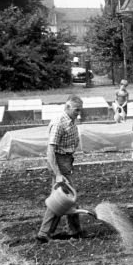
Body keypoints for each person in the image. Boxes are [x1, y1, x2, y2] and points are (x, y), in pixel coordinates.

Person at [37, 95, 86, 243]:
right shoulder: (59, 122)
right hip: (58, 162)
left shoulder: (70, 120)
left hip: (66, 161)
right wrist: (58, 174)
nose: (78, 113)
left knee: (65, 198)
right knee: (62, 199)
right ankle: (45, 233)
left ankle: (74, 230)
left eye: (80, 110)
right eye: (76, 110)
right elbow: (50, 151)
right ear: (67, 107)